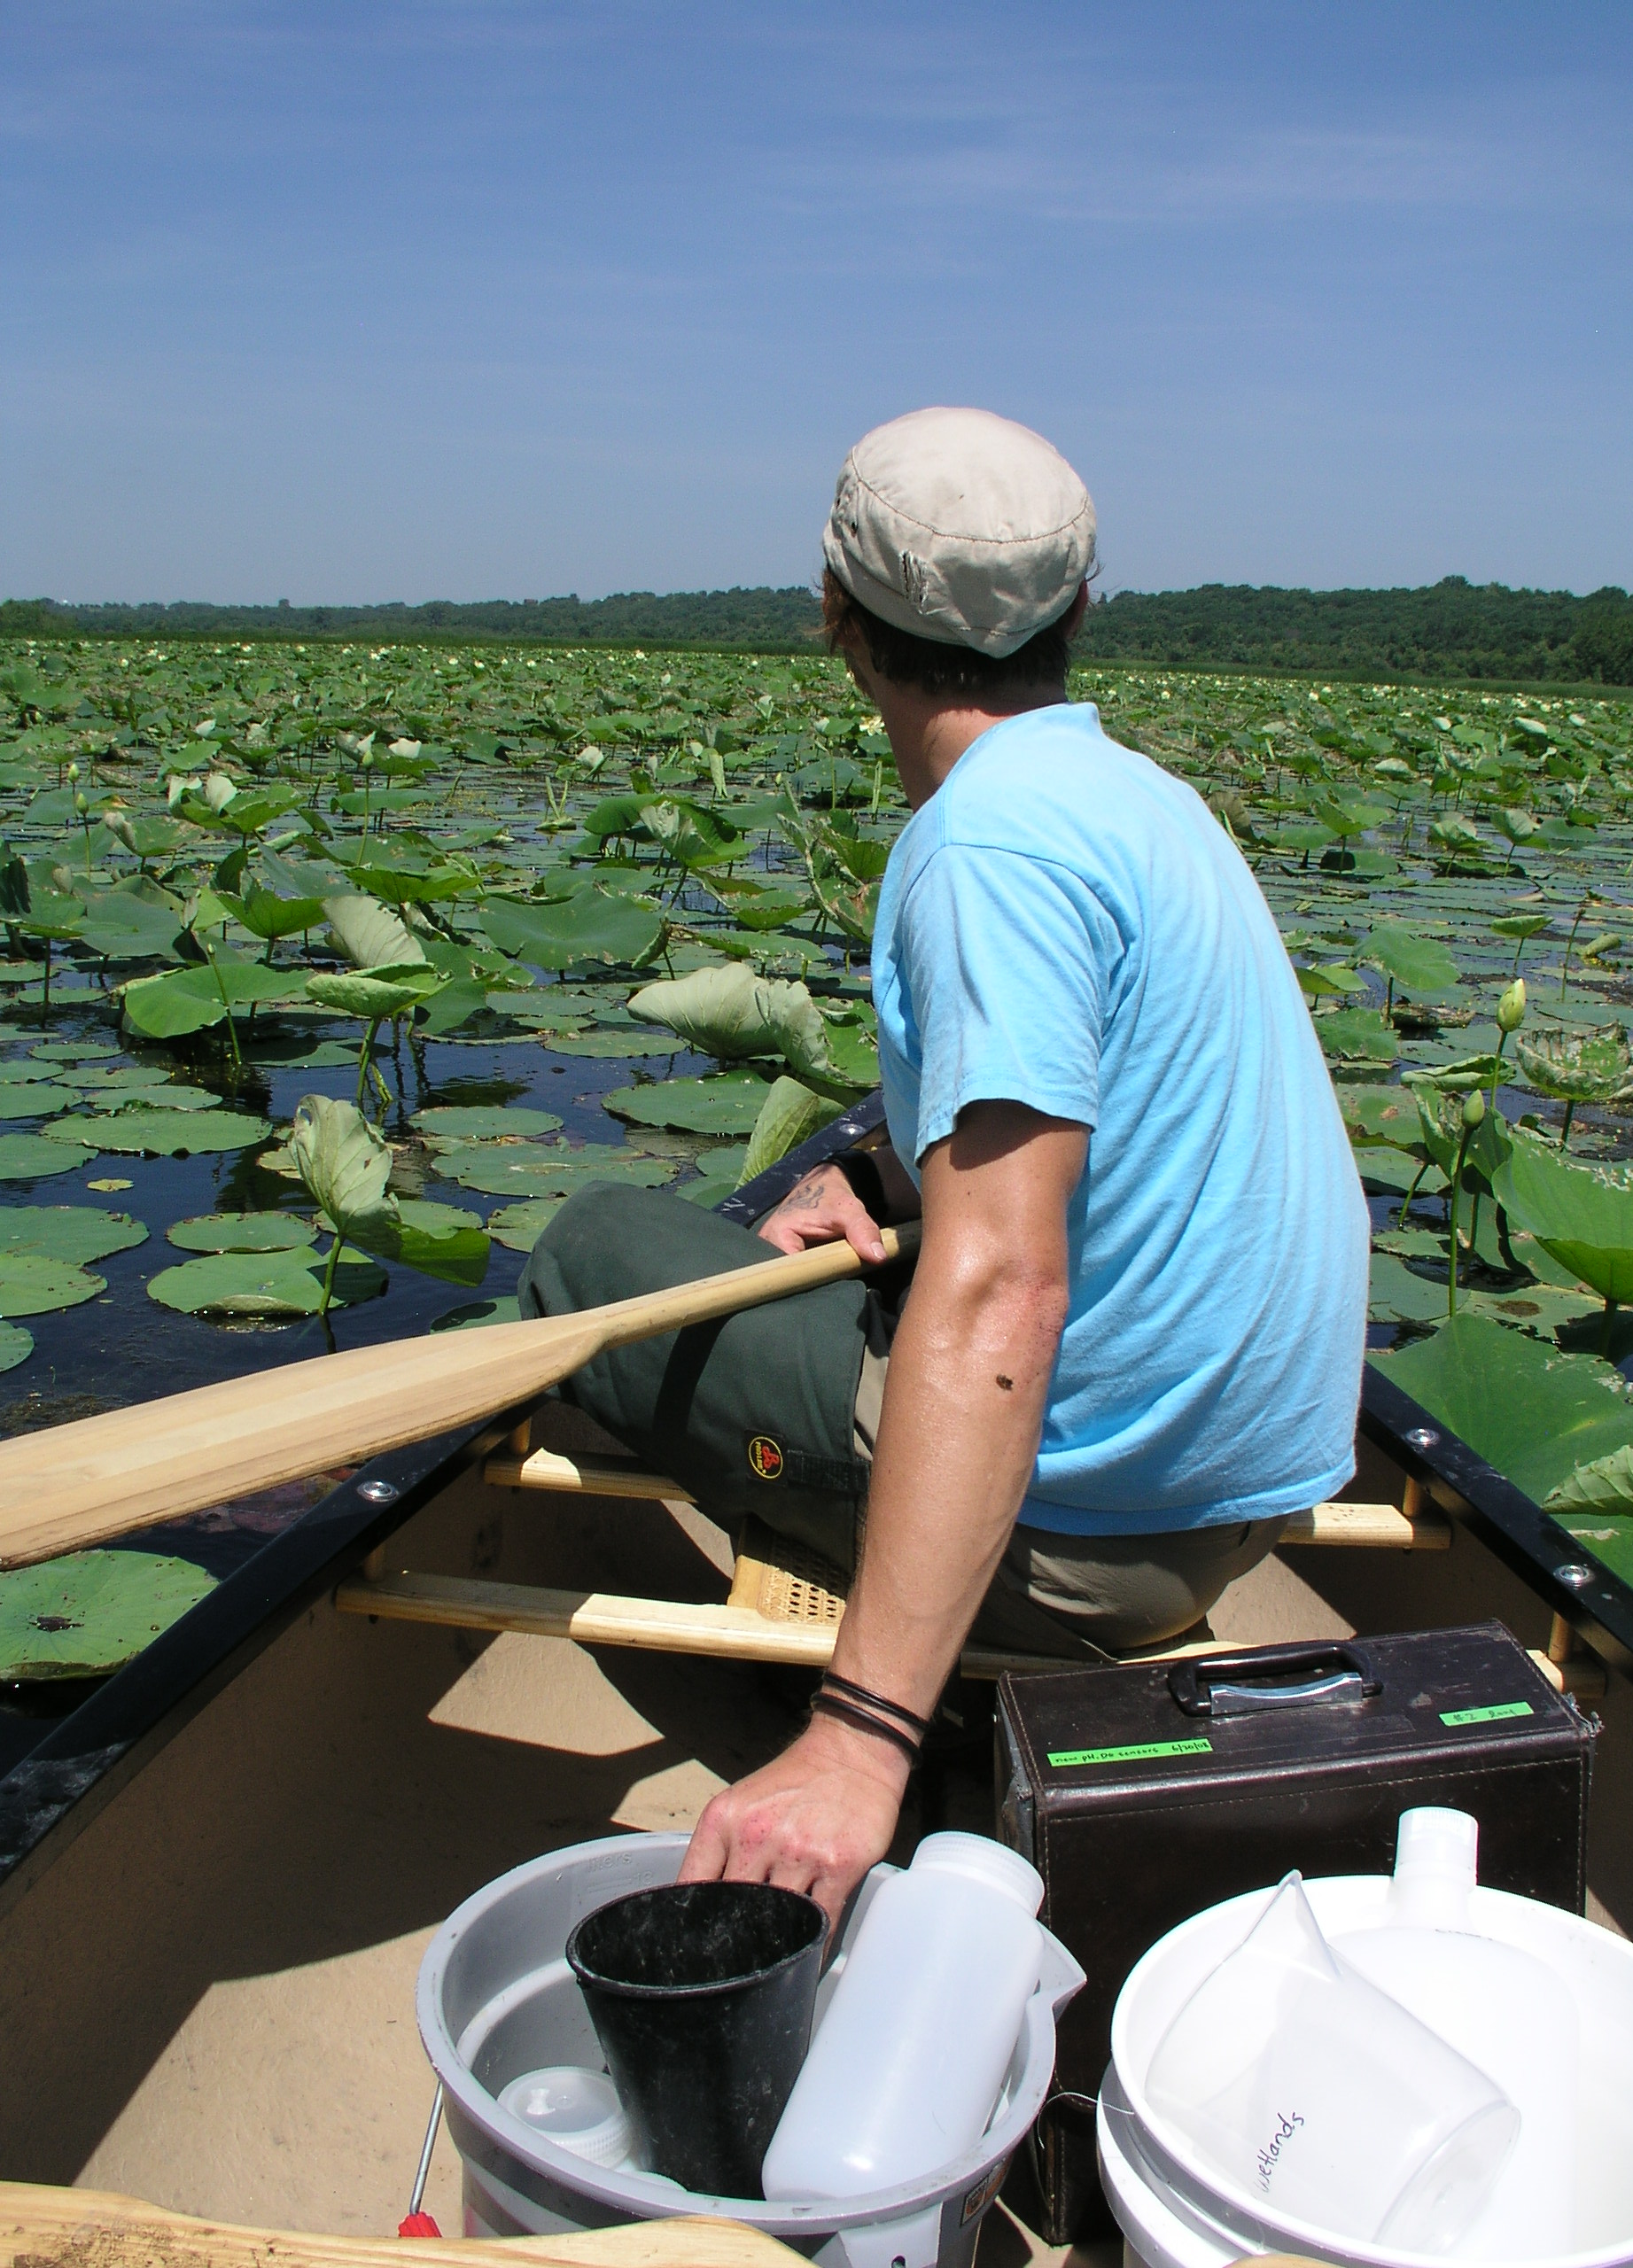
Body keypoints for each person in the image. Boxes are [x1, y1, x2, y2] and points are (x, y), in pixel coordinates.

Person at [519, 407, 1369, 1922]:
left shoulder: (984, 850)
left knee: (596, 1247)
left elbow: (1006, 1290)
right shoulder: (1143, 801)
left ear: (835, 612)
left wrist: (860, 1746)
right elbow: (1108, 1115)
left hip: (1103, 1537)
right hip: (1256, 1483)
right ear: (1082, 611)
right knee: (880, 1244)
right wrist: (903, 1183)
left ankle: (915, 1663)